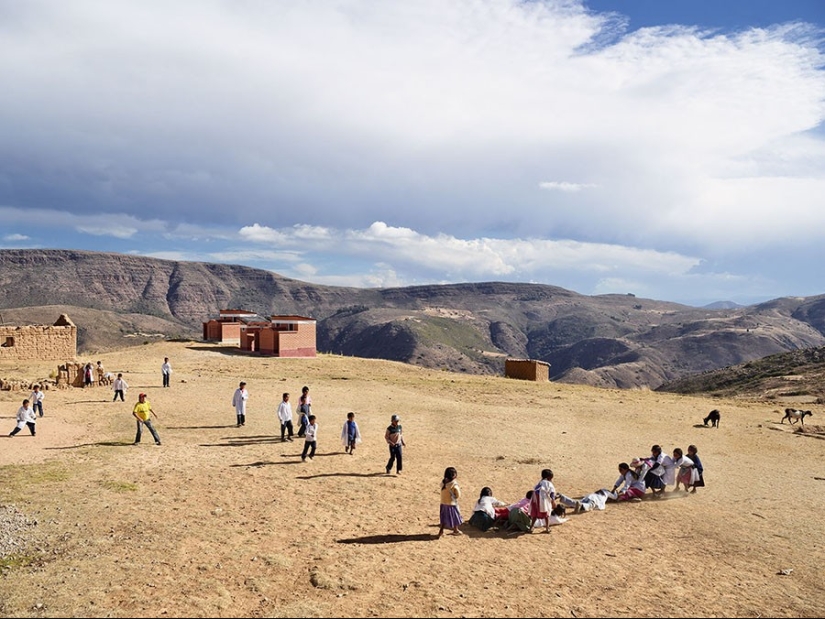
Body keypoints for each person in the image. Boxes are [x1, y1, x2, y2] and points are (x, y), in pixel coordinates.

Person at [438, 467, 463, 537]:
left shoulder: (443, 482)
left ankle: (441, 531)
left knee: (444, 518)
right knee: (455, 517)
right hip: (452, 504)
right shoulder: (454, 484)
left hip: (443, 503)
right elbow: (458, 495)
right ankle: (455, 530)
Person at [530, 469, 557, 533]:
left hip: (535, 500)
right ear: (548, 477)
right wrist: (553, 501)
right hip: (543, 500)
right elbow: (552, 492)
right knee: (546, 514)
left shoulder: (540, 482)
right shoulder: (548, 483)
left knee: (535, 514)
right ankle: (547, 528)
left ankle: (531, 527)